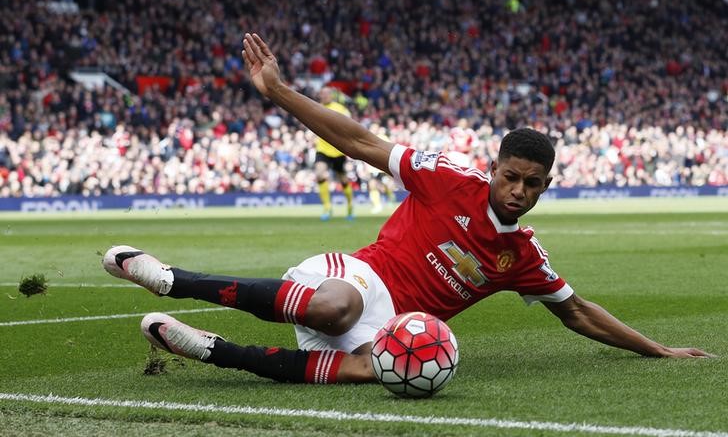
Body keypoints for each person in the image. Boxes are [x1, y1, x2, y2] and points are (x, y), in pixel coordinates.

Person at [102, 33, 712, 386]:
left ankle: (211, 349)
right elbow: (363, 142)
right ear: (494, 168)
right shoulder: (448, 178)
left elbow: (577, 312)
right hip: (355, 278)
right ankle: (171, 280)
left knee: (383, 372)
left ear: (545, 188)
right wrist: (282, 93)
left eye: (531, 184)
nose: (517, 191)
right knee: (339, 309)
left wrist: (657, 350)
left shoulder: (521, 257)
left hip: (392, 328)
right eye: (509, 176)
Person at [313, 86, 355, 221]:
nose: (324, 96)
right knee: (319, 174)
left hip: (338, 150)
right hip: (323, 149)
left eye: (326, 94)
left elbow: (350, 124)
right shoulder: (315, 108)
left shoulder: (340, 109)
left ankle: (349, 206)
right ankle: (327, 207)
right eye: (322, 94)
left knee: (343, 180)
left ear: (331, 95)